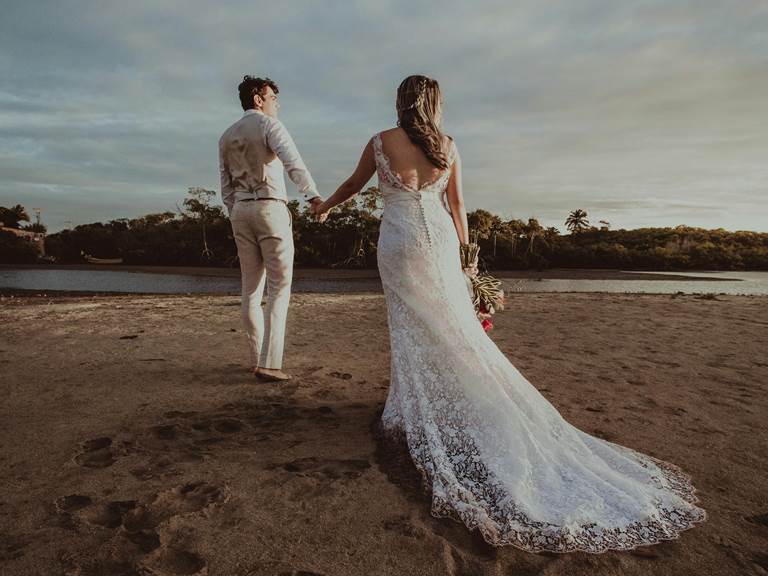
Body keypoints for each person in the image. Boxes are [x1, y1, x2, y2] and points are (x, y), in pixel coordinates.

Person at [312, 74, 707, 553]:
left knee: (414, 324)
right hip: (437, 241)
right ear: (435, 105)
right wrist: (466, 257)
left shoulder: (380, 141)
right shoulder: (449, 146)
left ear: (400, 101)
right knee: (451, 325)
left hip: (399, 241)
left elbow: (355, 183)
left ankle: (416, 406)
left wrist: (326, 207)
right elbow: (457, 205)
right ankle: (437, 398)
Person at [219, 75, 326, 382]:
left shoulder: (226, 136)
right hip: (269, 207)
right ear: (258, 99)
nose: (276, 103)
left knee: (250, 290)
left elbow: (225, 186)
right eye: (273, 98)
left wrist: (236, 211)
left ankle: (254, 360)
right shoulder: (269, 126)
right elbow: (294, 163)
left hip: (240, 210)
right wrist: (314, 197)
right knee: (279, 287)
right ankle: (270, 363)